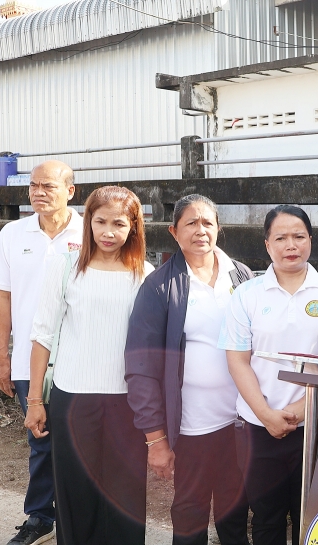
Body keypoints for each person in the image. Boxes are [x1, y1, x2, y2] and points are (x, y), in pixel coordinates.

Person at [24, 186, 154, 545]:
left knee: (125, 497)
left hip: (127, 402)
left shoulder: (144, 273)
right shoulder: (65, 266)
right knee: (75, 494)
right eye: (100, 222)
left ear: (133, 226)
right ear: (88, 222)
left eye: (119, 224)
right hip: (73, 398)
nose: (108, 232)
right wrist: (35, 400)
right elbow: (42, 335)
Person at [219, 205, 318, 545]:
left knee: (315, 519)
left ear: (310, 240)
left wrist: (300, 409)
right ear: (267, 244)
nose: (290, 245)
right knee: (267, 519)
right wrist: (266, 414)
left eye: (298, 236)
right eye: (280, 238)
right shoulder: (247, 294)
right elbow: (238, 361)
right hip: (259, 427)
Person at [125, 194, 252, 545]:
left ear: (218, 228)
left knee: (235, 511)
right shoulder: (160, 286)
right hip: (193, 427)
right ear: (174, 231)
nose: (200, 230)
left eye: (207, 222)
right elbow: (140, 368)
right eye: (191, 223)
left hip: (239, 421)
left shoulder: (240, 275)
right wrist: (156, 440)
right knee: (190, 512)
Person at [0, 159, 83, 545]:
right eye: (33, 186)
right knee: (40, 440)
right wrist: (2, 356)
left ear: (70, 191)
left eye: (48, 186)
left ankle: (79, 517)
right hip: (30, 359)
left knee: (79, 443)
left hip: (80, 359)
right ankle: (41, 517)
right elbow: (3, 298)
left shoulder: (90, 231)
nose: (38, 193)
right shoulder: (13, 233)